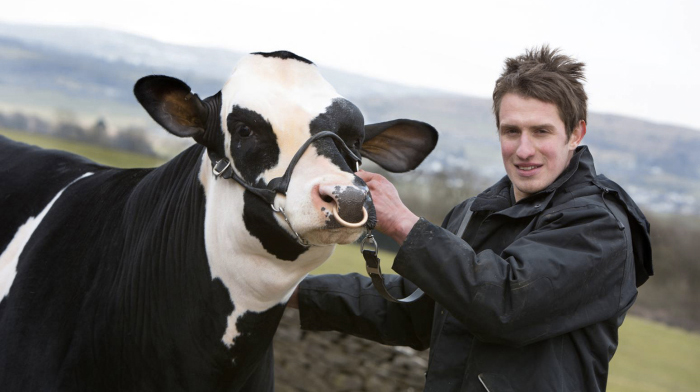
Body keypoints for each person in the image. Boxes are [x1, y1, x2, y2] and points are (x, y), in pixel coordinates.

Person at [287, 46, 653, 392]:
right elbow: (416, 310)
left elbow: (504, 305)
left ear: (576, 133)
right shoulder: (473, 212)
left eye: (541, 131)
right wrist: (289, 291)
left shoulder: (601, 226)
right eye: (512, 131)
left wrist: (403, 223)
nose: (524, 150)